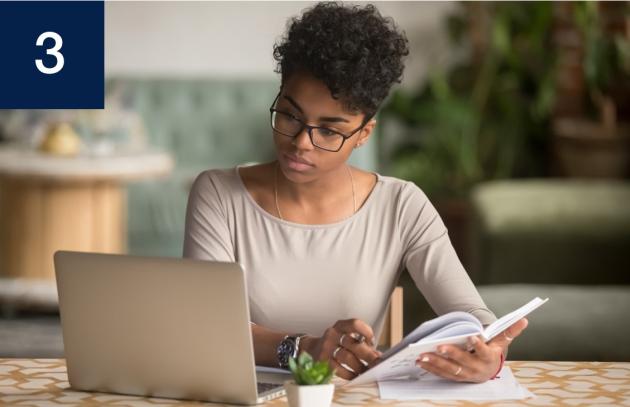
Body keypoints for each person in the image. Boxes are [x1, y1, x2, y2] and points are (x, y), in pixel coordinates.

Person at [183, 2, 527, 383]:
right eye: (290, 115)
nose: (301, 142)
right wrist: (303, 349)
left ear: (364, 134)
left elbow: (472, 316)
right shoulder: (217, 194)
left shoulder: (401, 206)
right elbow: (203, 326)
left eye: (329, 130)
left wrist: (489, 355)